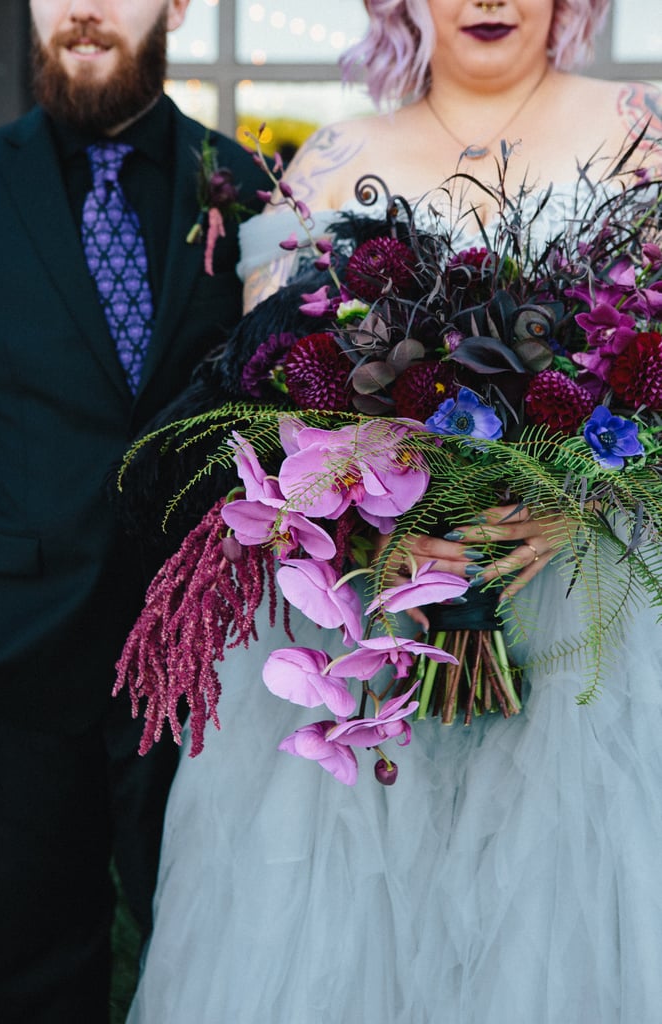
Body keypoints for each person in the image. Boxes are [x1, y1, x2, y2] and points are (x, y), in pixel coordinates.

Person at [127, 1, 662, 1022]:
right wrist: (373, 525)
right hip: (369, 618)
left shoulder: (639, 136)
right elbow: (278, 400)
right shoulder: (334, 161)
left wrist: (582, 506)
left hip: (589, 623)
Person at [0, 1, 269, 1021]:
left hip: (201, 658)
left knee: (203, 946)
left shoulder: (244, 183)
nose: (85, 7)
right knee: (33, 959)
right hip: (16, 645)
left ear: (179, 5)